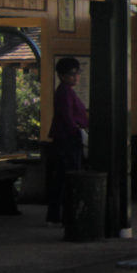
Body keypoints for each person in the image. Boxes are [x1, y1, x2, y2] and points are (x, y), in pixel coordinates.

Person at [46, 56, 89, 225]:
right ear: (62, 75)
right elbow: (67, 117)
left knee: (62, 178)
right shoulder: (64, 92)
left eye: (77, 73)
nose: (76, 77)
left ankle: (57, 215)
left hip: (66, 138)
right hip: (67, 140)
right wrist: (78, 132)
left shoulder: (66, 91)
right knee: (67, 177)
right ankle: (61, 215)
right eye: (72, 74)